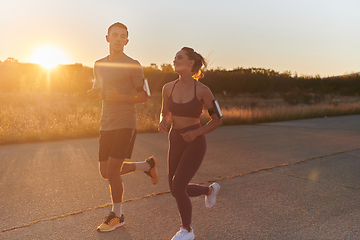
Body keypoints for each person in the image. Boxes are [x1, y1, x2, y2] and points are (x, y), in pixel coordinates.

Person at [87, 22, 159, 232]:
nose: (118, 39)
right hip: (106, 123)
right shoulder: (99, 64)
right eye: (115, 36)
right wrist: (94, 92)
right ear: (107, 38)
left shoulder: (133, 65)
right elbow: (98, 87)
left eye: (122, 36)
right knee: (105, 172)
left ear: (127, 41)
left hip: (125, 124)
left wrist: (121, 97)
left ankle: (117, 216)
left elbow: (145, 96)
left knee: (112, 171)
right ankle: (147, 166)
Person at [158, 47, 222, 240]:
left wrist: (197, 132)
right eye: (174, 57)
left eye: (179, 58)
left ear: (190, 63)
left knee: (179, 186)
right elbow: (164, 111)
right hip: (175, 138)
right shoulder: (168, 87)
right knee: (175, 188)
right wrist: (163, 120)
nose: (174, 60)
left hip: (195, 141)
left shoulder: (203, 90)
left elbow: (217, 119)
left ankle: (187, 230)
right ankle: (210, 190)